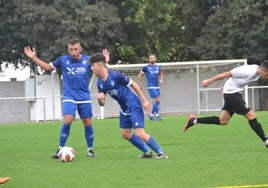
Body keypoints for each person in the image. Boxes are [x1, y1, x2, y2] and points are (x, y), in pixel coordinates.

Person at [24, 39, 110, 158]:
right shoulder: (63, 60)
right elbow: (48, 67)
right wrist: (34, 57)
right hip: (69, 96)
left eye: (75, 49)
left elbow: (100, 69)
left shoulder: (88, 60)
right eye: (71, 49)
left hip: (84, 97)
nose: (73, 52)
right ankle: (60, 149)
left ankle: (90, 149)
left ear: (80, 49)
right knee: (68, 120)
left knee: (87, 122)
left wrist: (106, 61)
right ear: (68, 49)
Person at [90, 53, 168, 159]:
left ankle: (161, 153)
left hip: (133, 103)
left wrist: (144, 100)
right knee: (125, 134)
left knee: (139, 133)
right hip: (124, 108)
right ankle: (147, 152)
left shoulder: (115, 75)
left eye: (92, 65)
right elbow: (102, 104)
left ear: (99, 65)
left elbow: (133, 84)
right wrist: (100, 100)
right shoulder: (99, 83)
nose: (91, 68)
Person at [184, 60, 268, 148]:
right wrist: (209, 81)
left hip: (232, 92)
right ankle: (266, 140)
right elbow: (227, 74)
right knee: (251, 115)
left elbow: (234, 79)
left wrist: (226, 85)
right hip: (232, 94)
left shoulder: (257, 73)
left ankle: (194, 120)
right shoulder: (247, 70)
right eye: (267, 75)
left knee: (223, 121)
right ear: (262, 70)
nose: (267, 77)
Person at [138, 54, 163, 121]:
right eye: (150, 58)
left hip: (157, 87)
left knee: (157, 101)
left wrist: (161, 79)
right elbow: (139, 75)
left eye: (153, 58)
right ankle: (155, 115)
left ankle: (153, 115)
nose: (152, 59)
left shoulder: (158, 67)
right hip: (150, 86)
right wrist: (140, 85)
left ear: (155, 59)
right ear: (149, 59)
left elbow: (161, 74)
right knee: (158, 100)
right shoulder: (146, 67)